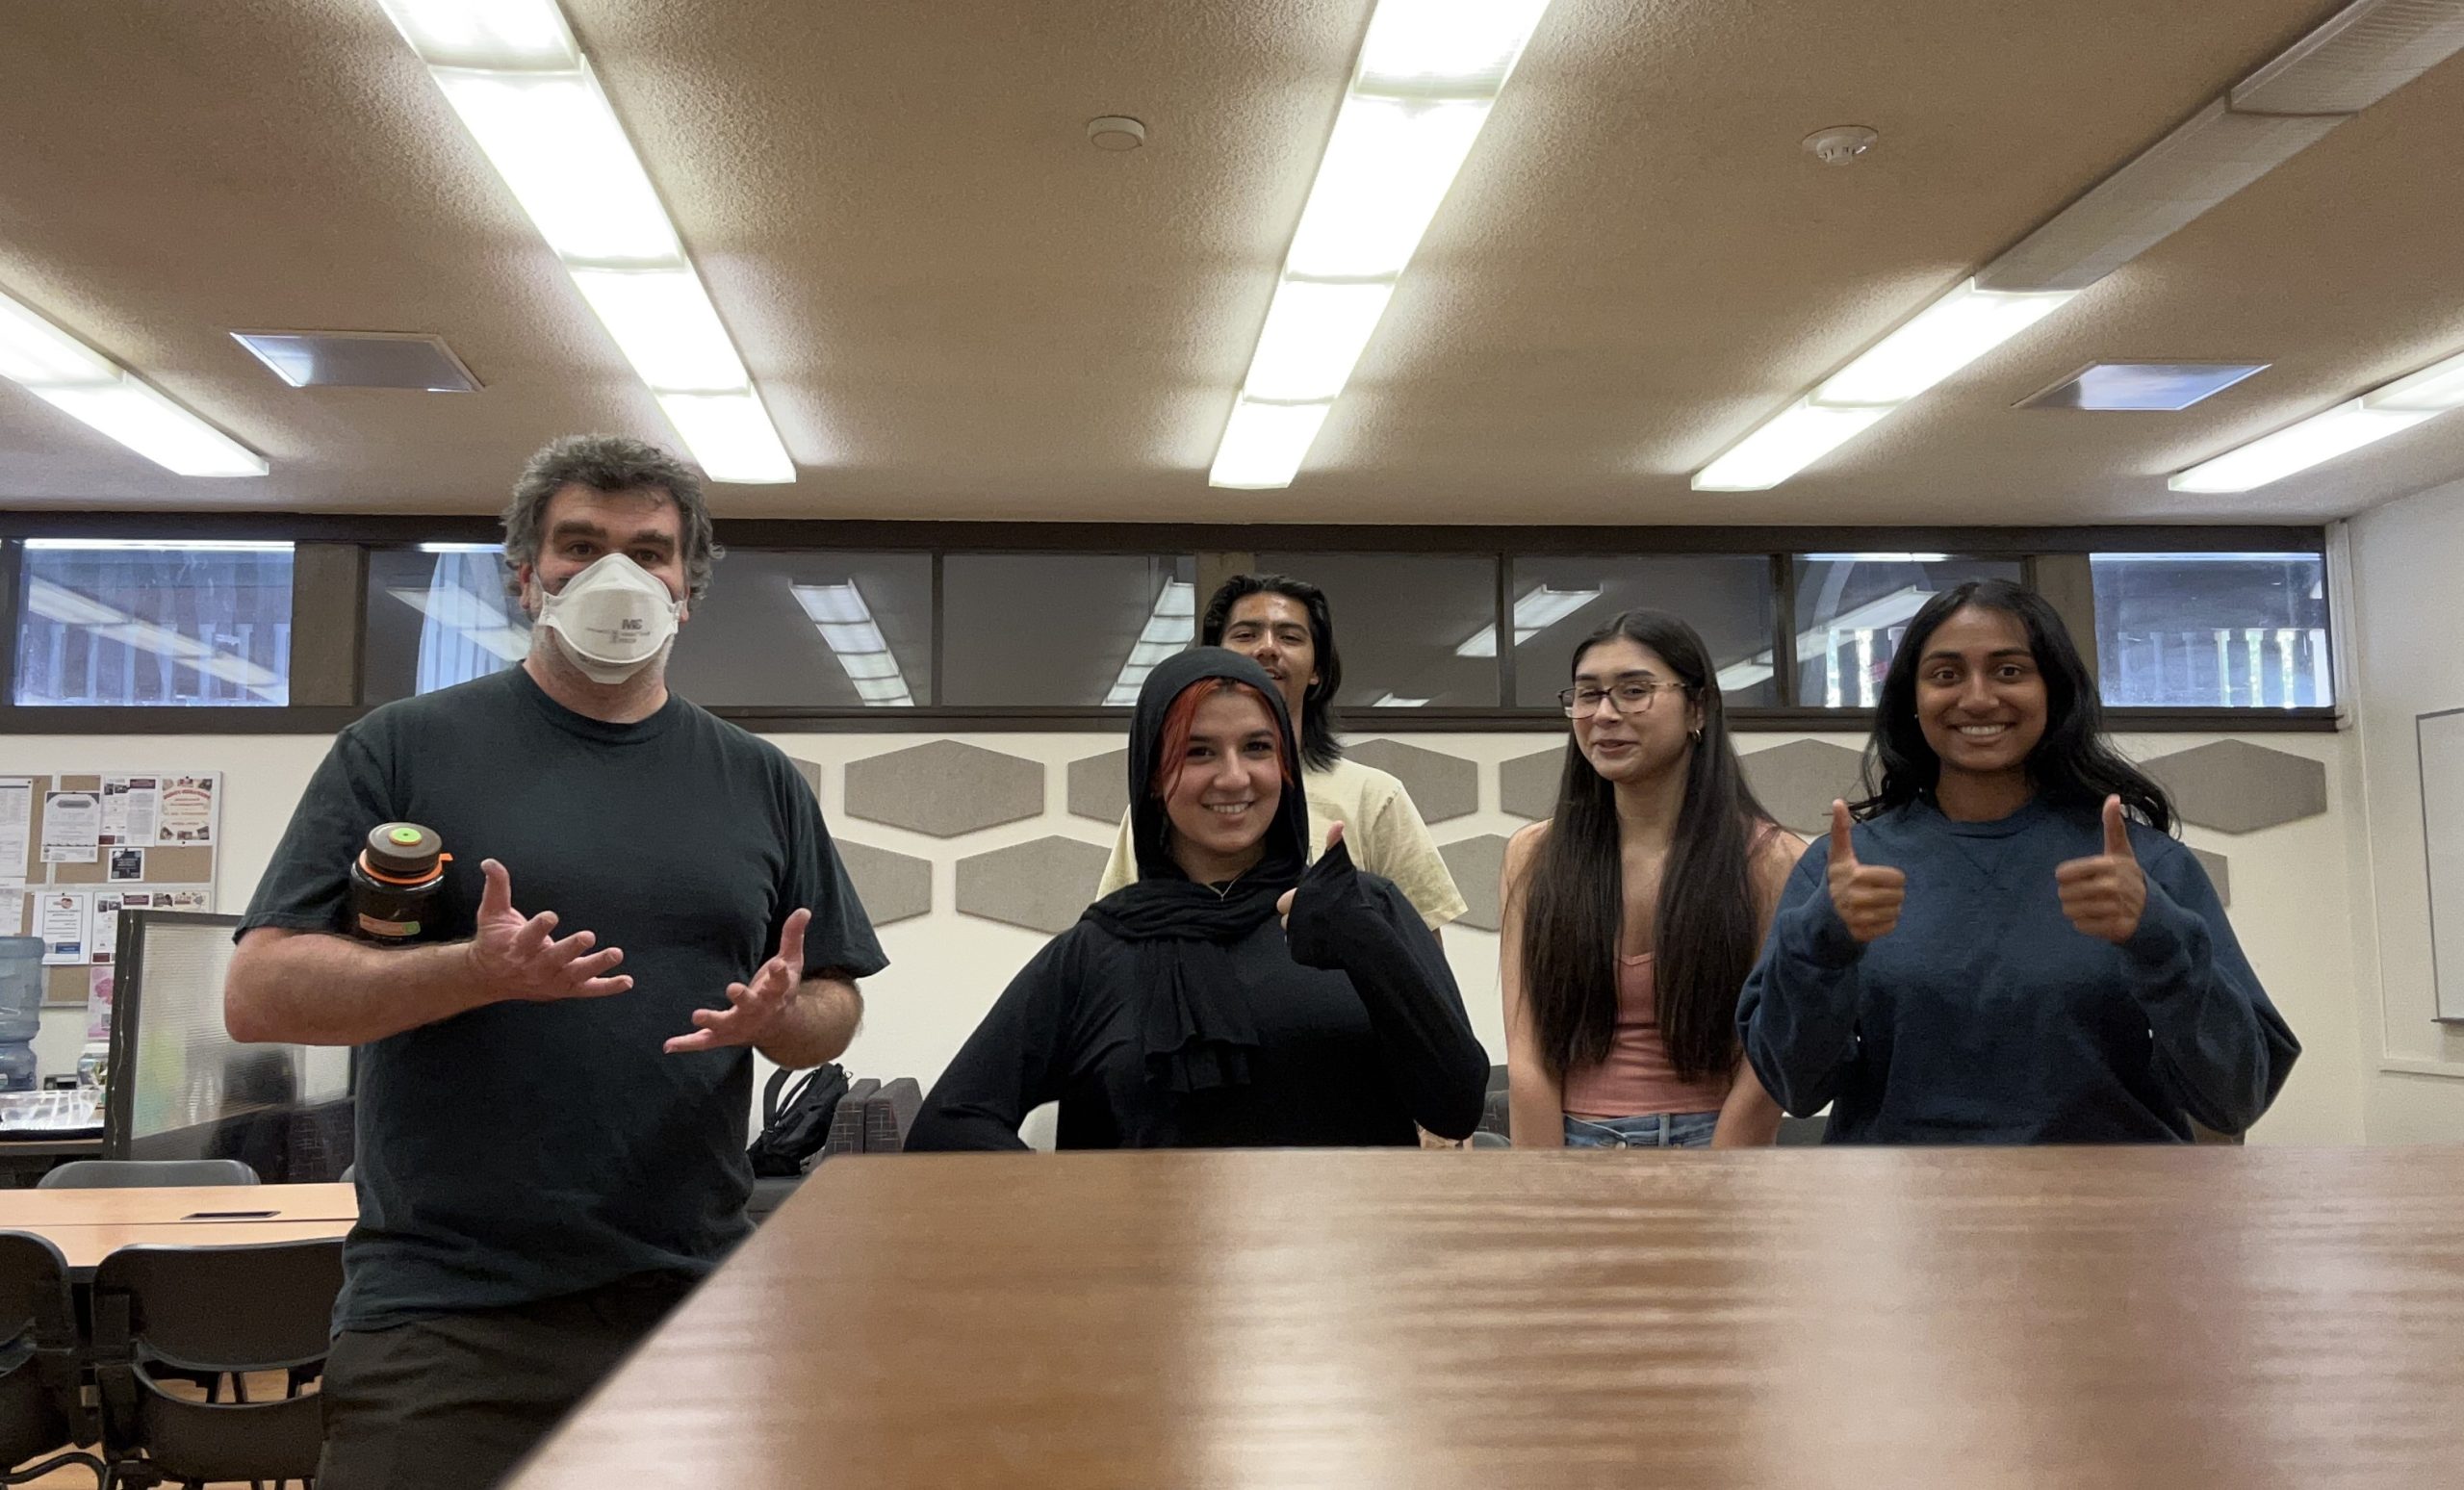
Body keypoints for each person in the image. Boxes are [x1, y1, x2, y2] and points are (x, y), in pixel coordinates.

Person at [223, 434, 886, 1489]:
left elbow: (833, 1001)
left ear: (688, 588)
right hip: (446, 1319)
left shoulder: (757, 780)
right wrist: (467, 973)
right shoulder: (400, 749)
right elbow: (259, 994)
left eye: (650, 550)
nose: (616, 573)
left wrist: (781, 1021)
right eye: (580, 544)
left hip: (688, 1304)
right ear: (525, 575)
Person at [1736, 579, 2298, 1143]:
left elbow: (2235, 1097)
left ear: (2053, 690)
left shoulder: (2143, 867)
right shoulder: (1846, 873)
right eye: (1946, 674)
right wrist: (1818, 949)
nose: (1977, 698)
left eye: (2009, 671)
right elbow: (1797, 1090)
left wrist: (2160, 938)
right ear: (1912, 697)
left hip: (2114, 1215)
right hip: (1900, 1215)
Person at [908, 647, 1487, 1149]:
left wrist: (1370, 949)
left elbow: (1455, 1104)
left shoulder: (1364, 908)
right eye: (1198, 751)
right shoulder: (1099, 950)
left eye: (1258, 747)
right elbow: (949, 1124)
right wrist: (1071, 1214)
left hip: (1340, 1269)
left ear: (1284, 766)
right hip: (1154, 1273)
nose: (1234, 777)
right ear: (1154, 777)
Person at [1500, 611, 1797, 1150]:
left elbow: (1766, 1062)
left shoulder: (1769, 859)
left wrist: (1721, 1182)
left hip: (1714, 1142)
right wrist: (1542, 1193)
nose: (1605, 714)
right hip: (1573, 1145)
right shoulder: (1534, 856)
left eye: (1634, 691)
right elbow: (1527, 1055)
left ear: (1697, 707)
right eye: (1588, 695)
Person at [1095, 574, 1467, 932]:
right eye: (1245, 634)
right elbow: (1119, 922)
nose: (1267, 648)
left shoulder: (1375, 797)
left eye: (1289, 636)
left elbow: (1421, 955)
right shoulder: (1172, 801)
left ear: (1317, 669)